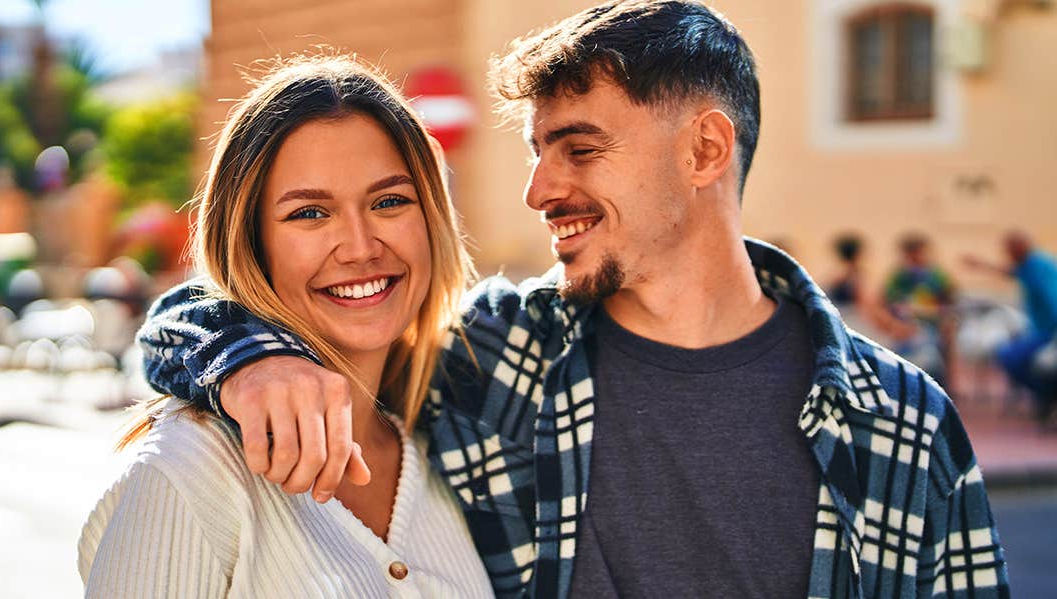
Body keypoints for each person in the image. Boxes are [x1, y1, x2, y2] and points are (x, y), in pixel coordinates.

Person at [138, 2, 1010, 597]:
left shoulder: (902, 422)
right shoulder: (487, 357)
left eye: (579, 149)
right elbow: (209, 307)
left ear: (705, 150)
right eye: (535, 151)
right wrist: (247, 360)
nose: (539, 189)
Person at [78, 55, 495, 598]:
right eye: (309, 213)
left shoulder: (451, 448)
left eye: (389, 201)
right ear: (253, 244)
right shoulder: (190, 471)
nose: (362, 247)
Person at [965, 230, 1057, 421]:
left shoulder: (1038, 267)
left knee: (1010, 356)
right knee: (1011, 355)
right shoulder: (1029, 264)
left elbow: (1052, 298)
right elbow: (1011, 272)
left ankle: (1046, 395)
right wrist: (982, 265)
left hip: (1048, 331)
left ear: (1019, 248)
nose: (1008, 255)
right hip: (1040, 329)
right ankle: (1044, 396)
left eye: (1009, 251)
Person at [883, 232, 958, 384]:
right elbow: (888, 302)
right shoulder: (899, 276)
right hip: (906, 328)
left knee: (935, 361)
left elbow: (950, 303)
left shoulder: (937, 275)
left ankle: (941, 388)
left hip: (933, 325)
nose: (915, 258)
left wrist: (946, 321)